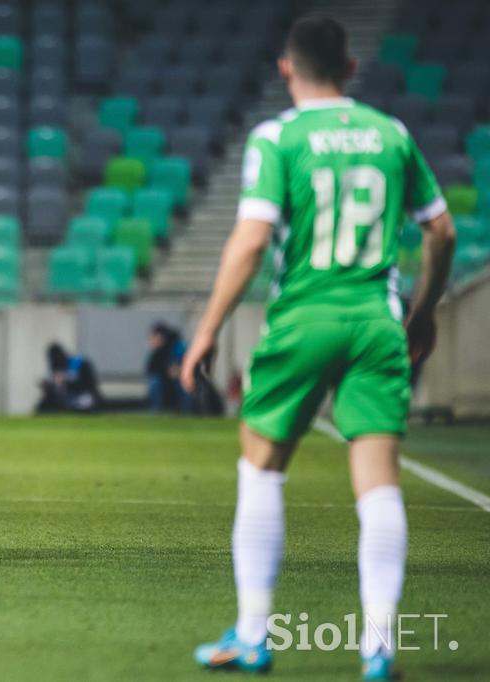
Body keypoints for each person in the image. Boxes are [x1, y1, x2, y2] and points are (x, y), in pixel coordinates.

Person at [180, 16, 455, 680]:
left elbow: (249, 241)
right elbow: (440, 232)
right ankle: (379, 645)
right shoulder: (392, 135)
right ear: (351, 67)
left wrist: (208, 329)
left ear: (285, 69)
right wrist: (422, 313)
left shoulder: (277, 138)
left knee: (262, 468)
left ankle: (252, 635)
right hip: (376, 319)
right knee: (379, 484)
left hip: (304, 317)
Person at [36, 343, 102, 413]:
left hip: (83, 396)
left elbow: (89, 383)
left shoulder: (78, 363)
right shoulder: (55, 368)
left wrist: (66, 381)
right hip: (68, 398)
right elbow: (52, 388)